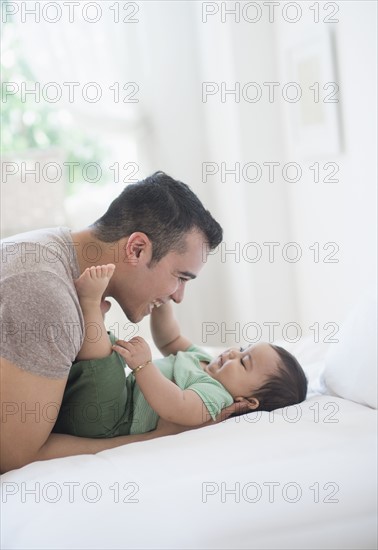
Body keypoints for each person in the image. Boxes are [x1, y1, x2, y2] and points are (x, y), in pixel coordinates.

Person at [0, 172, 223, 473]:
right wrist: (154, 438)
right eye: (180, 277)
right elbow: (14, 456)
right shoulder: (46, 295)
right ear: (137, 249)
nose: (179, 297)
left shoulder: (54, 250)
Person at [53, 264, 308, 438]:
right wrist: (162, 300)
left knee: (107, 360)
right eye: (242, 349)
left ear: (247, 402)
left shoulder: (215, 396)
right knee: (103, 350)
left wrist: (143, 367)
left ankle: (88, 305)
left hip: (111, 418)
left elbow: (175, 405)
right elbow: (170, 338)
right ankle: (88, 319)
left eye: (243, 362)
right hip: (114, 397)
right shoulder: (204, 361)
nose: (232, 353)